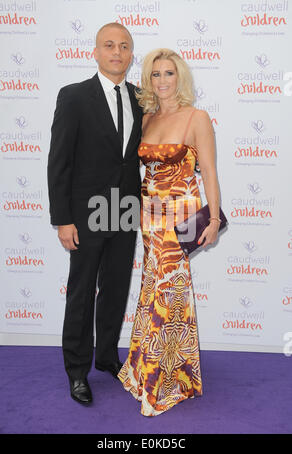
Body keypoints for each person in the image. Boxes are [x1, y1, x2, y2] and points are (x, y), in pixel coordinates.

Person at [118, 48, 221, 416]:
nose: (162, 81)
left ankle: (165, 380)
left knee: (168, 292)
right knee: (156, 290)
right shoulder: (145, 119)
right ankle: (154, 368)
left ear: (181, 78)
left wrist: (212, 220)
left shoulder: (197, 118)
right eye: (156, 74)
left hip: (180, 219)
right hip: (149, 217)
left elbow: (208, 170)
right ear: (149, 80)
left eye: (169, 74)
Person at [47, 23, 143, 405]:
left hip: (125, 208)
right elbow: (59, 162)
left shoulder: (141, 97)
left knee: (116, 288)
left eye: (123, 46)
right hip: (86, 213)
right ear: (96, 52)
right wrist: (63, 218)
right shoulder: (73, 96)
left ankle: (106, 357)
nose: (116, 52)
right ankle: (77, 370)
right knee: (82, 291)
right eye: (109, 45)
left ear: (131, 55)